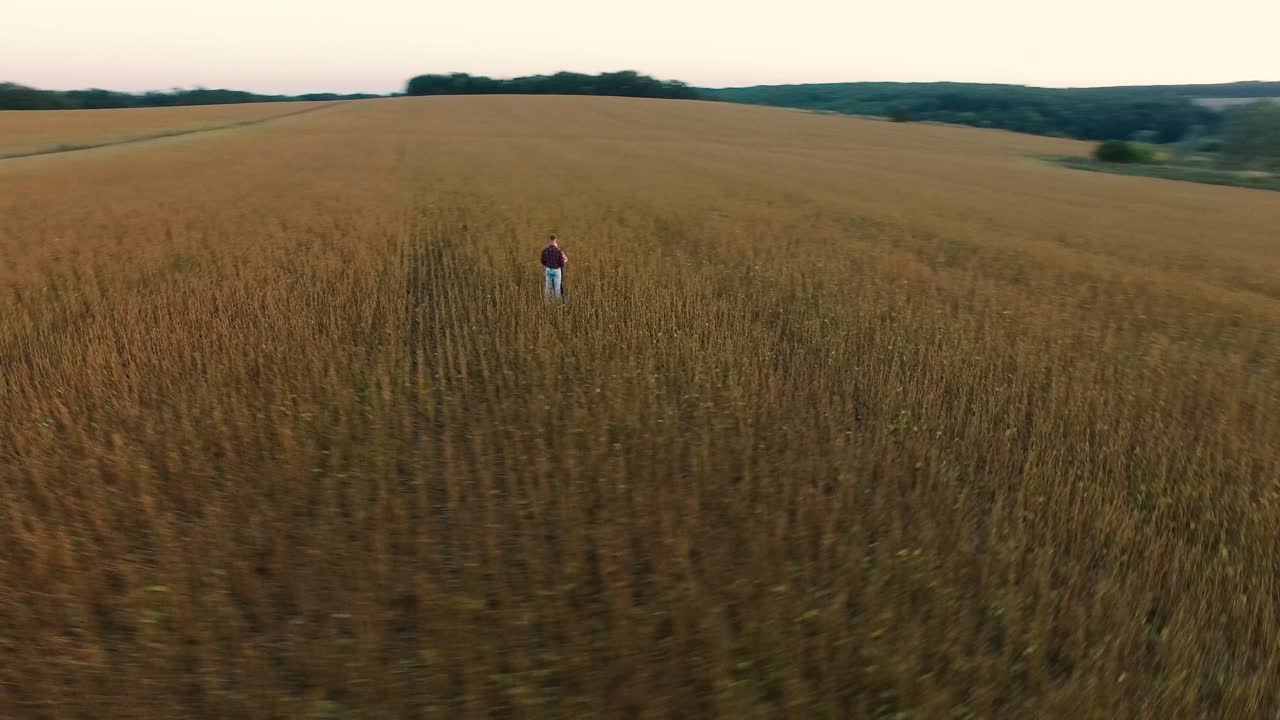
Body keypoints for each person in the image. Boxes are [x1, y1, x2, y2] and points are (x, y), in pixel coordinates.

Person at [540, 234, 568, 300]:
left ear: (549, 241)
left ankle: (546, 304)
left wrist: (547, 265)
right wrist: (559, 265)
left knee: (547, 288)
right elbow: (562, 263)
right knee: (557, 289)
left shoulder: (545, 250)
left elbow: (542, 261)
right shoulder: (558, 251)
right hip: (556, 270)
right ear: (555, 241)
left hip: (548, 269)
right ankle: (558, 304)